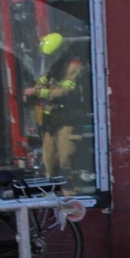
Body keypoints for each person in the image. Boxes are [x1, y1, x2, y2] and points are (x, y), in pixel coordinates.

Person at [22, 32, 85, 179]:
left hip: (67, 121)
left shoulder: (73, 67)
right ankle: (50, 195)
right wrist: (30, 94)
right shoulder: (52, 69)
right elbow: (40, 84)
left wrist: (38, 93)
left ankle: (71, 197)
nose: (49, 60)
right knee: (49, 161)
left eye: (52, 56)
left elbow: (66, 91)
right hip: (51, 123)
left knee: (66, 162)